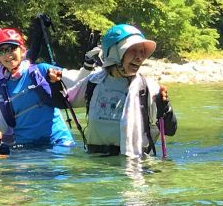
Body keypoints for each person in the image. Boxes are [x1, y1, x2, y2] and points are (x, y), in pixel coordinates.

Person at [65, 24, 177, 157]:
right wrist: (52, 83)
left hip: (136, 167)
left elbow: (170, 130)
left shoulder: (149, 88)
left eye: (142, 52)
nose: (139, 57)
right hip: (96, 165)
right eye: (133, 51)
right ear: (115, 53)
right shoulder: (94, 82)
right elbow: (64, 101)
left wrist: (166, 108)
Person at [0, 28, 75, 148]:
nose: (7, 55)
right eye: (1, 51)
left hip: (58, 141)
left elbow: (75, 79)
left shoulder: (42, 70)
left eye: (11, 49)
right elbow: (3, 127)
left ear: (23, 51)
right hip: (26, 147)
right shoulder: (0, 87)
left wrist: (88, 66)